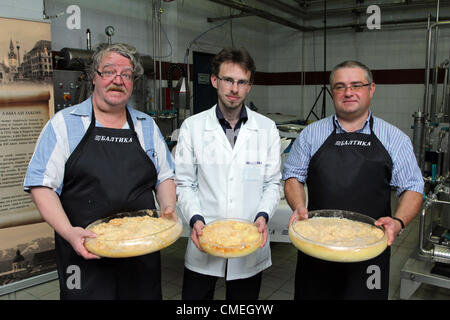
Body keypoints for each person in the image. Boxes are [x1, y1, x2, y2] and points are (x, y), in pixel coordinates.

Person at [23, 43, 176, 299]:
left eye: (126, 74)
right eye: (109, 71)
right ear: (94, 76)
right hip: (83, 251)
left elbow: (164, 177)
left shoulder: (146, 125)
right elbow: (41, 185)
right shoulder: (64, 124)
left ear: (132, 82)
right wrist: (69, 232)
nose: (118, 80)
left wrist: (168, 207)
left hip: (140, 251)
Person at [283, 60, 424, 300]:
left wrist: (398, 222)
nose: (348, 92)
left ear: (371, 89)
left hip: (370, 251)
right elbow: (293, 176)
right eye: (340, 86)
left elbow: (412, 187)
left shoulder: (394, 138)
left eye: (356, 85)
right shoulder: (311, 134)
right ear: (332, 92)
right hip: (317, 245)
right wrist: (298, 206)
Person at [175, 47, 281, 300]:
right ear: (215, 81)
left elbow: (272, 183)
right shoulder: (193, 127)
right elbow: (184, 183)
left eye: (242, 82)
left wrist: (263, 216)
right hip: (205, 235)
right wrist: (195, 219)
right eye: (228, 80)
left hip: (249, 239)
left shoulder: (266, 128)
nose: (234, 88)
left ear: (249, 86)